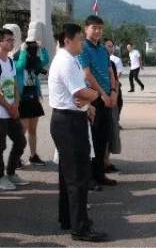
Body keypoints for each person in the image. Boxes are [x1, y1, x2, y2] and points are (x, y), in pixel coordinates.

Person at [49, 23, 107, 242]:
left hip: (68, 118)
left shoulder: (68, 59)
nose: (82, 42)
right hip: (69, 123)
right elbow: (79, 92)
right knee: (78, 177)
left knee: (68, 176)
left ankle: (68, 219)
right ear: (67, 40)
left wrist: (86, 101)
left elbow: (77, 97)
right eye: (79, 39)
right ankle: (80, 228)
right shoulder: (66, 61)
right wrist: (96, 95)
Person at [0, 29, 28, 190]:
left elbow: (15, 84)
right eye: (8, 40)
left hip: (11, 110)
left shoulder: (10, 61)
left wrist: (16, 104)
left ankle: (11, 172)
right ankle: (0, 177)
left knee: (20, 141)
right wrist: (8, 107)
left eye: (12, 40)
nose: (12, 43)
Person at [79, 16, 118, 187]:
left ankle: (100, 174)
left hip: (107, 97)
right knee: (91, 139)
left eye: (100, 28)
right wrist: (102, 94)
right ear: (86, 28)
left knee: (103, 138)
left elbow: (110, 72)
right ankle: (89, 178)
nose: (97, 31)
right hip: (93, 98)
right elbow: (87, 74)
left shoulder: (103, 49)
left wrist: (114, 91)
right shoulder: (83, 48)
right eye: (94, 28)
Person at [15, 38, 50, 166]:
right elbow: (20, 66)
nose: (32, 51)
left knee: (33, 129)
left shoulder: (35, 62)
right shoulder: (17, 59)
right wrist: (23, 51)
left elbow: (46, 61)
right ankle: (16, 157)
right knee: (22, 130)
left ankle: (33, 155)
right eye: (31, 48)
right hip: (22, 98)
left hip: (33, 97)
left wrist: (42, 49)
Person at [105, 39, 124, 124]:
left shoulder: (114, 61)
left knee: (118, 103)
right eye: (108, 46)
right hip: (102, 88)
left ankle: (116, 121)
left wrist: (115, 89)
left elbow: (117, 75)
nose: (111, 48)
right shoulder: (97, 60)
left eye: (112, 46)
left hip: (114, 86)